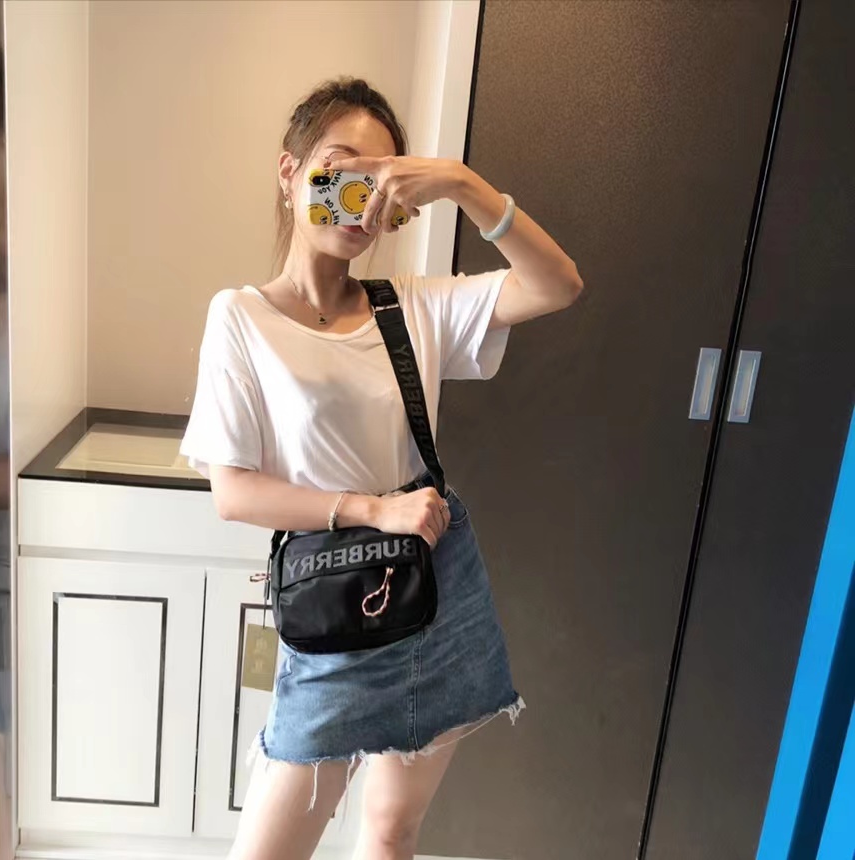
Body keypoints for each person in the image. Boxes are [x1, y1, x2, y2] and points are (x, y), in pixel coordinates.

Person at [179, 77, 583, 860]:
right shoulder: (242, 318)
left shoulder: (412, 307)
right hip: (334, 608)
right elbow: (232, 492)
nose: (358, 200)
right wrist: (372, 509)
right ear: (290, 171)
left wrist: (462, 185)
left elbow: (558, 284)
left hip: (434, 595)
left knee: (393, 831)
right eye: (340, 168)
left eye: (381, 180)